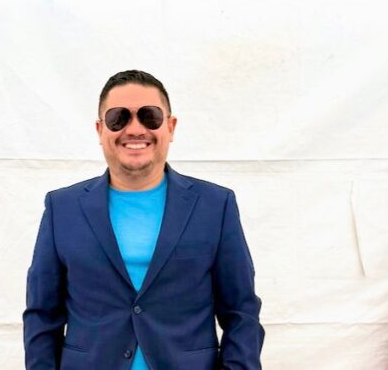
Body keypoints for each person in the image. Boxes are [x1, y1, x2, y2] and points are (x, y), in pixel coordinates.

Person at [23, 70, 264, 369]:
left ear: (171, 127)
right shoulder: (62, 208)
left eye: (149, 116)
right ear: (100, 129)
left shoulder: (215, 206)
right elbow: (42, 315)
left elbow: (241, 312)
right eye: (118, 118)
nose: (135, 129)